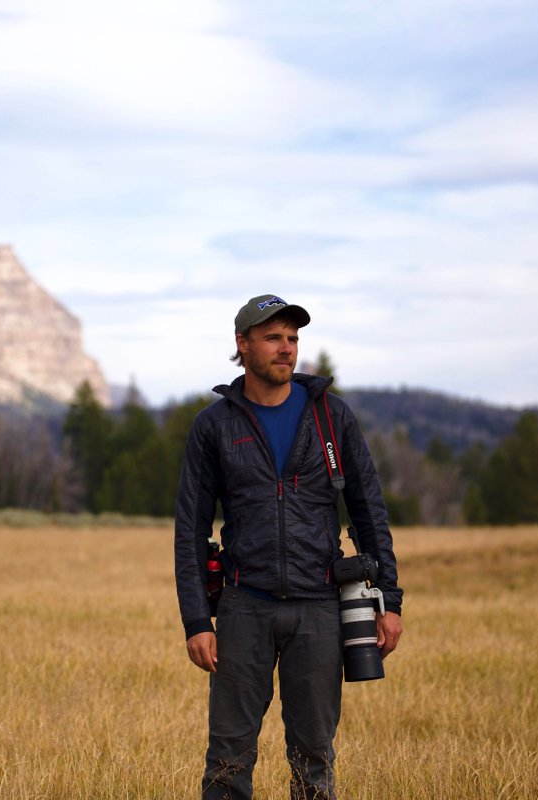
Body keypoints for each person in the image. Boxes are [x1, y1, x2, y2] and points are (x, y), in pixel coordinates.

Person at [174, 293, 403, 800]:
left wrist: (390, 599)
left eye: (293, 338)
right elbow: (190, 529)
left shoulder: (331, 417)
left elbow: (369, 511)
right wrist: (196, 621)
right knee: (227, 760)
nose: (286, 349)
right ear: (243, 344)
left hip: (320, 608)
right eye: (273, 337)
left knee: (314, 759)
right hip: (242, 608)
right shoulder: (214, 426)